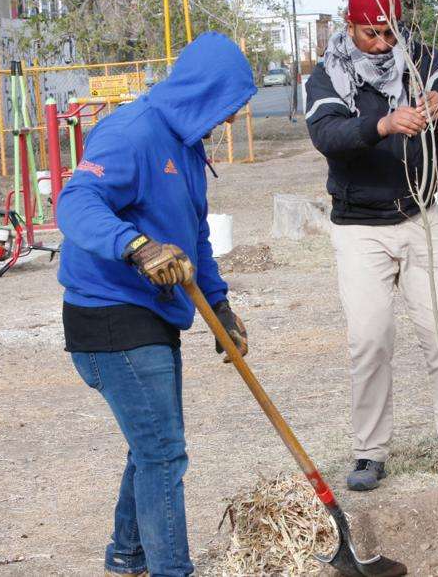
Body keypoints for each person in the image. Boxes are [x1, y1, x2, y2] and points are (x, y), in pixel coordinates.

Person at [56, 32, 256, 577]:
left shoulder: (187, 149)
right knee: (163, 452)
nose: (231, 120)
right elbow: (75, 202)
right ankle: (173, 569)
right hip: (110, 316)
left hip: (153, 314)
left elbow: (194, 236)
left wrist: (220, 309)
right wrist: (136, 246)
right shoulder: (131, 133)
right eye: (229, 106)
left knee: (150, 444)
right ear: (201, 92)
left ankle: (128, 555)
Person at [304, 0, 438, 492]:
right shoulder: (326, 75)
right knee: (370, 342)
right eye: (371, 33)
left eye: (390, 31)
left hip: (422, 217)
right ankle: (369, 454)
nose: (382, 43)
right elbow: (327, 137)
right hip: (359, 229)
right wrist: (384, 124)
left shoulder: (419, 56)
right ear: (349, 27)